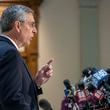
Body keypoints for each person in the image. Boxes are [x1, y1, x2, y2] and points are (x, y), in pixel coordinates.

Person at [0, 5, 53, 110]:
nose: (35, 31)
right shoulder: (10, 53)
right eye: (32, 25)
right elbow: (12, 100)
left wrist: (36, 83)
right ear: (18, 26)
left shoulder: (3, 48)